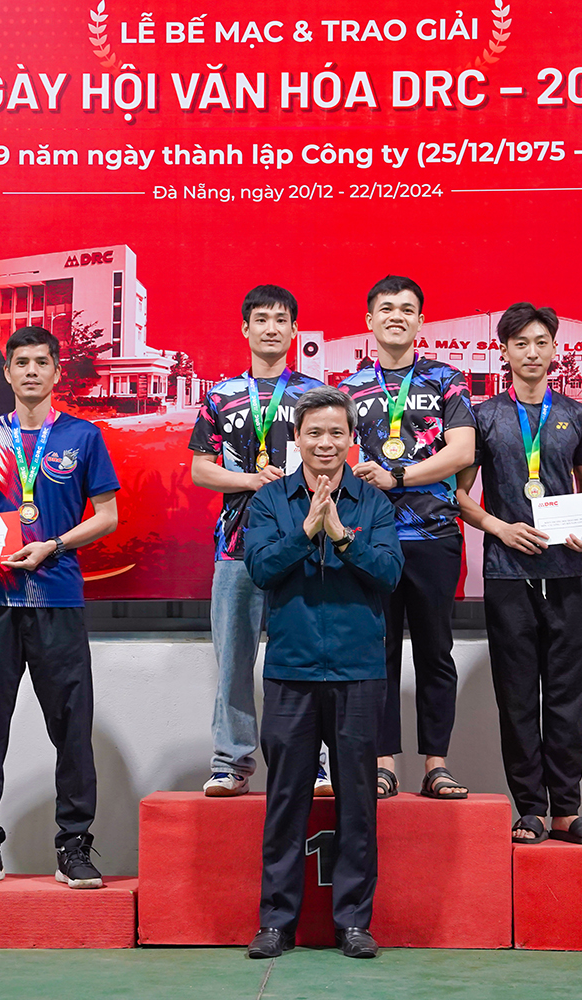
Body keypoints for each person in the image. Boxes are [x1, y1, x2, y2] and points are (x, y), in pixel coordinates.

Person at [0, 326, 120, 889]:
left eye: (41, 362)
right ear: (7, 372)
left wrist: (55, 545)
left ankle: (74, 846)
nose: (30, 372)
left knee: (71, 727)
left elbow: (107, 516)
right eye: (20, 363)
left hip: (58, 600)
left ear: (55, 371)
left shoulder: (83, 436)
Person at [243, 386, 403, 960]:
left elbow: (388, 573)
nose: (326, 443)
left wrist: (341, 537)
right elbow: (260, 568)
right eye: (314, 432)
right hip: (292, 669)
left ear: (351, 439)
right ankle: (276, 923)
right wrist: (306, 530)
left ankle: (353, 923)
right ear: (297, 438)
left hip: (359, 670)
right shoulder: (270, 500)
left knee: (359, 801)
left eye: (337, 432)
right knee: (285, 799)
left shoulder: (373, 503)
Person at [455, 303, 582, 847]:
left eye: (541, 342)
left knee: (567, 697)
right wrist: (500, 528)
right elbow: (460, 497)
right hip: (507, 576)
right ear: (504, 351)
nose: (532, 352)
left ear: (554, 349)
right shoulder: (484, 416)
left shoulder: (577, 414)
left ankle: (567, 810)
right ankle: (531, 809)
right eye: (521, 343)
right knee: (518, 698)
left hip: (566, 574)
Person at [339, 275, 477, 802]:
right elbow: (331, 453)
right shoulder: (348, 388)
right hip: (371, 539)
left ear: (421, 320)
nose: (396, 316)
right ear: (369, 320)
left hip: (434, 534)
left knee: (436, 652)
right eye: (386, 308)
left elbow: (461, 452)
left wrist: (396, 477)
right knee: (378, 653)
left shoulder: (447, 380)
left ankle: (437, 765)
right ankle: (383, 762)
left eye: (406, 309)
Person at [188, 285, 327, 798]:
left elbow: (333, 459)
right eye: (262, 319)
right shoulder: (221, 395)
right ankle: (231, 763)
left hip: (304, 545)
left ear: (294, 330)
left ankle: (315, 763)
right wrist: (250, 480)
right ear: (245, 328)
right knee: (234, 662)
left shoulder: (315, 397)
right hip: (236, 549)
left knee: (309, 659)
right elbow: (201, 470)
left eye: (281, 320)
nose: (271, 328)